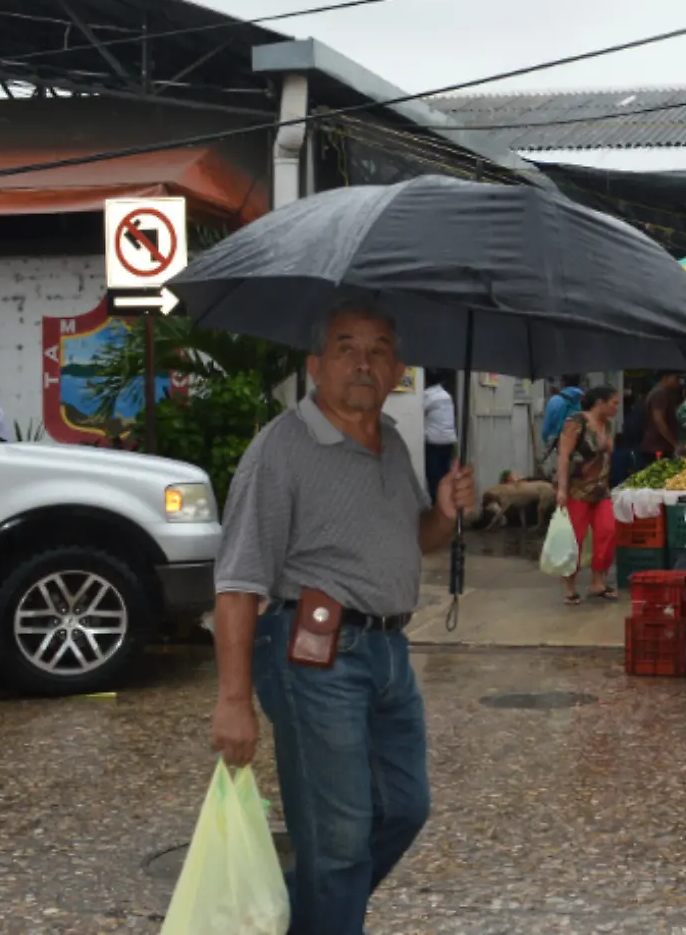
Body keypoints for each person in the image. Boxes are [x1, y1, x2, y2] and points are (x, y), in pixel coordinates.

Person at [208, 298, 476, 935]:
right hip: (312, 655)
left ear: (398, 368)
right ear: (314, 367)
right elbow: (239, 580)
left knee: (404, 809)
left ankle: (299, 911)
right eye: (346, 347)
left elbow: (414, 538)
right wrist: (233, 699)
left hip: (388, 653)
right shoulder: (281, 449)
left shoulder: (391, 444)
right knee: (339, 838)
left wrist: (443, 510)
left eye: (380, 348)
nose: (364, 362)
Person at [554, 385, 622, 605]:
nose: (616, 408)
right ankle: (570, 585)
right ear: (600, 403)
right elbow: (564, 456)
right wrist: (562, 489)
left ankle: (597, 581)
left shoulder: (608, 425)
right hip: (578, 490)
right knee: (575, 539)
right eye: (614, 403)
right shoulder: (576, 422)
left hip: (601, 490)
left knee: (607, 531)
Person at [420, 371, 458, 505]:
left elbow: (416, 410)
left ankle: (438, 508)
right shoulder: (446, 395)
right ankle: (448, 506)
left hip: (434, 443)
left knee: (434, 479)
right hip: (449, 442)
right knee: (446, 478)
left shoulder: (428, 396)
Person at [639, 372, 683, 464]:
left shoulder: (662, 393)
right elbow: (659, 420)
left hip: (660, 445)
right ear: (666, 377)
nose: (678, 382)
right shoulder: (660, 394)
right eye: (676, 378)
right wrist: (674, 443)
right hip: (657, 446)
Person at [540, 376, 584, 453]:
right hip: (580, 448)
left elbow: (545, 431)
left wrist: (548, 442)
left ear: (563, 382)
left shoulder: (554, 401)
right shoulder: (584, 400)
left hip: (559, 447)